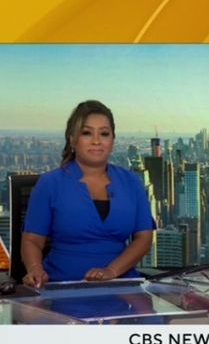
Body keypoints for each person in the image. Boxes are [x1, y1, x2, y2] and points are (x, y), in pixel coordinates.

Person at [21, 100, 154, 286]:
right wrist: (35, 269)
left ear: (113, 140)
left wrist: (111, 271)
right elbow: (32, 240)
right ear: (72, 139)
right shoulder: (49, 184)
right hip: (62, 286)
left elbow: (144, 238)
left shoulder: (132, 182)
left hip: (121, 285)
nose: (97, 141)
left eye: (104, 134)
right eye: (87, 133)